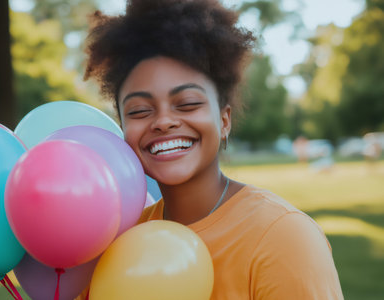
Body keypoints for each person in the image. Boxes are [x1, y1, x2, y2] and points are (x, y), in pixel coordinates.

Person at [77, 0, 344, 299]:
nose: (163, 121)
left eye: (188, 103)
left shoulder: (284, 237)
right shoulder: (116, 239)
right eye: (139, 110)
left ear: (224, 120)